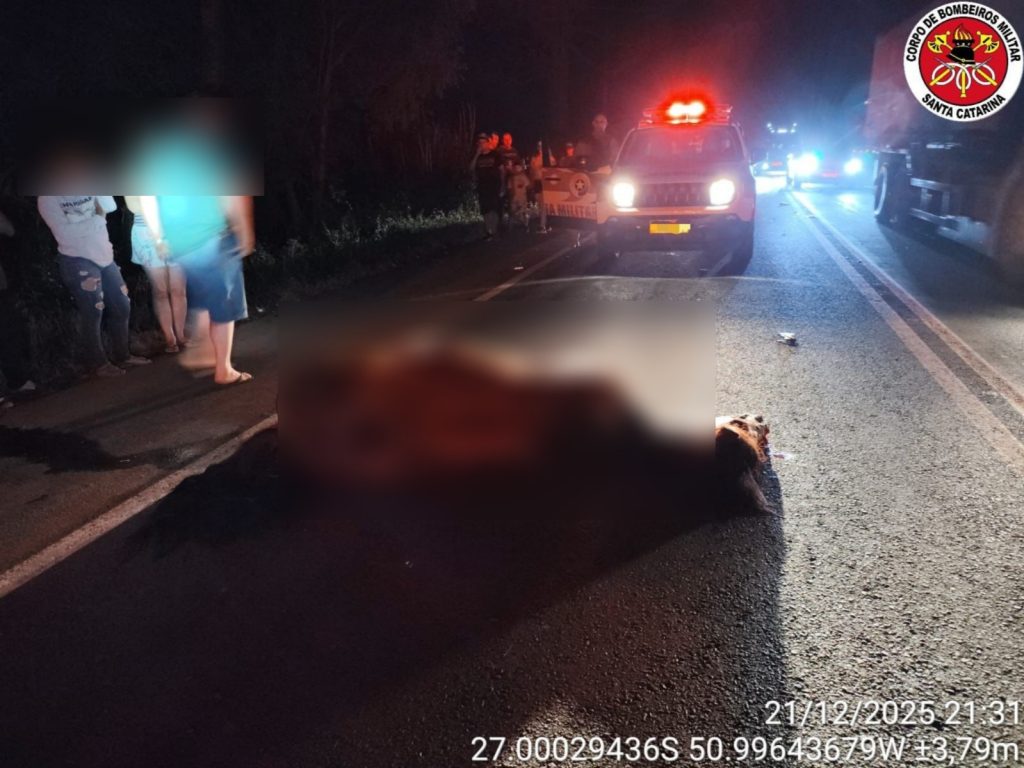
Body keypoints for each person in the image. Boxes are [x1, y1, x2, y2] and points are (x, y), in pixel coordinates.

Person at [141, 194, 255, 385]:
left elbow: (147, 198)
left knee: (204, 296)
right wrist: (243, 227)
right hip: (212, 236)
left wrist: (158, 238)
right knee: (224, 304)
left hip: (179, 243)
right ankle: (223, 370)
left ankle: (203, 352)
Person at [37, 194, 151, 377]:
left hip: (104, 255)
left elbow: (110, 206)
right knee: (93, 311)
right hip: (76, 259)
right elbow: (65, 233)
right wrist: (98, 218)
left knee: (122, 306)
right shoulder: (47, 198)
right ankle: (98, 363)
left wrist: (92, 217)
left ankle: (122, 356)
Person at [125, 195, 188, 353]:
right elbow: (134, 206)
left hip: (176, 229)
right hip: (146, 234)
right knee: (160, 291)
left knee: (178, 289)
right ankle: (170, 338)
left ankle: (181, 336)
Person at [470, 133, 502, 239]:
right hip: (482, 185)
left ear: (488, 143)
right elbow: (471, 168)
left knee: (494, 208)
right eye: (479, 143)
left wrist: (502, 185)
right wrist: (477, 154)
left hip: (494, 184)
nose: (481, 145)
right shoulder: (478, 156)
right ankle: (489, 231)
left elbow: (502, 169)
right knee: (485, 209)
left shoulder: (495, 154)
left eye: (483, 142)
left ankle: (494, 229)